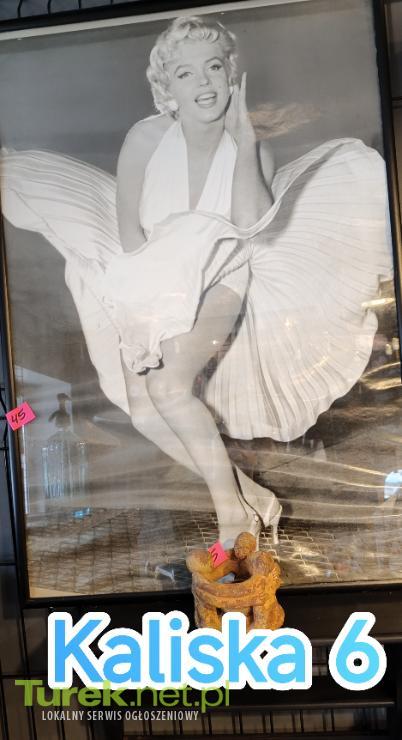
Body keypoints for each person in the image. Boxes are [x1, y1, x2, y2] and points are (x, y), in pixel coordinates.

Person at [0, 16, 392, 548]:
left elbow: (252, 224)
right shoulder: (145, 138)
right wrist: (151, 304)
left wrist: (246, 141)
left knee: (167, 389)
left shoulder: (253, 149)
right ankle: (256, 497)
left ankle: (233, 516)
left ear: (231, 73)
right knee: (144, 413)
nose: (203, 83)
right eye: (185, 74)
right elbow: (129, 233)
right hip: (148, 280)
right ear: (168, 87)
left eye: (213, 68)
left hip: (223, 278)